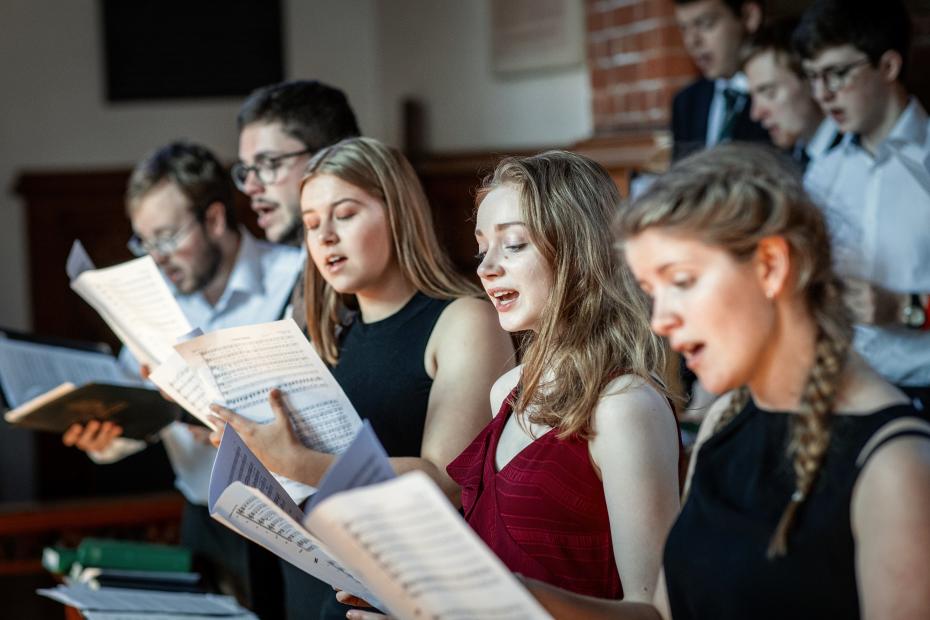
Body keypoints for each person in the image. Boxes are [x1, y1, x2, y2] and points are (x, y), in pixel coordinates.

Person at [521, 144, 930, 620]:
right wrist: (527, 596)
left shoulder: (895, 463)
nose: (661, 321)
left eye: (682, 281)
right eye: (651, 293)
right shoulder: (723, 420)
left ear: (771, 266)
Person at [210, 137, 515, 619]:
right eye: (311, 224)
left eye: (345, 214)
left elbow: (448, 481)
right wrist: (253, 453)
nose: (325, 235)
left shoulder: (462, 320)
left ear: (397, 213)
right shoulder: (324, 337)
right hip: (312, 584)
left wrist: (301, 463)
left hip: (399, 597)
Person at [61, 141, 304, 612]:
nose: (158, 258)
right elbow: (142, 404)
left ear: (214, 219)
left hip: (288, 520)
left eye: (168, 237)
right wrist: (110, 440)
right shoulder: (152, 304)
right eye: (145, 242)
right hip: (204, 520)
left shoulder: (293, 278)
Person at [795, 0, 930, 410]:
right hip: (845, 391)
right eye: (813, 77)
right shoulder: (822, 173)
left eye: (837, 74)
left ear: (888, 67)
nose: (823, 94)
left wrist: (906, 308)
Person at [235, 80, 362, 335]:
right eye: (246, 169)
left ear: (328, 158)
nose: (251, 186)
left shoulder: (361, 277)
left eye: (269, 163)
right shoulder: (288, 269)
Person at [671, 0, 770, 159]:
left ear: (749, 16)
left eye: (705, 24)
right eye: (683, 29)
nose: (692, 41)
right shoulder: (686, 102)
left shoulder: (778, 94)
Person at [742, 17, 839, 170]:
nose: (756, 114)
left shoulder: (857, 158)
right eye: (752, 96)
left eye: (769, 93)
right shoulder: (785, 163)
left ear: (811, 81)